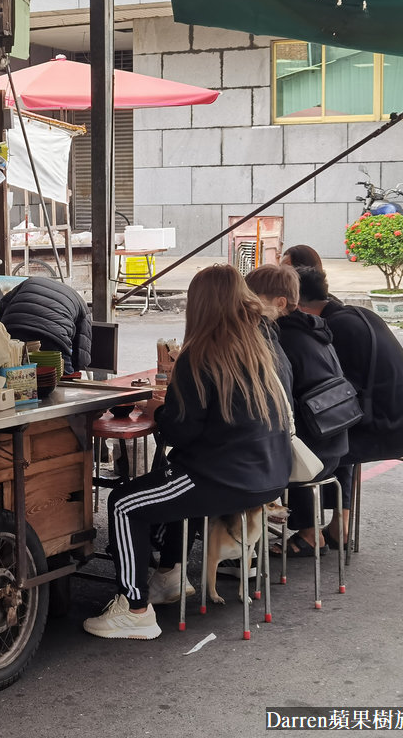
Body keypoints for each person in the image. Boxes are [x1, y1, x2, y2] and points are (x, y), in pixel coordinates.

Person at [83, 265, 291, 640]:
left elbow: (181, 431)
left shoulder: (202, 355)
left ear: (200, 305)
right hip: (269, 474)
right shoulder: (260, 346)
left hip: (223, 477)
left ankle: (134, 609)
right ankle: (170, 576)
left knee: (125, 502)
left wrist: (157, 411)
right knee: (167, 479)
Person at [295, 266, 403, 547]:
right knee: (335, 435)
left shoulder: (335, 328)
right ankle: (340, 527)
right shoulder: (358, 314)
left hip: (390, 428)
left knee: (299, 446)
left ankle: (310, 534)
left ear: (298, 306)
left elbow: (329, 392)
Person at [244, 263, 350, 557]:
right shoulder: (314, 327)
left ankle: (299, 535)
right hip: (337, 444)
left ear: (279, 303)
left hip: (310, 454)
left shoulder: (278, 335)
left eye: (252, 299)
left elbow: (278, 406)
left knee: (251, 447)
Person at [0, 276, 92, 374]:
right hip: (53, 337)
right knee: (60, 377)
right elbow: (82, 350)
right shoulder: (81, 302)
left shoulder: (31, 281)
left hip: (13, 327)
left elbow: (0, 307)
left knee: (10, 372)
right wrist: (73, 370)